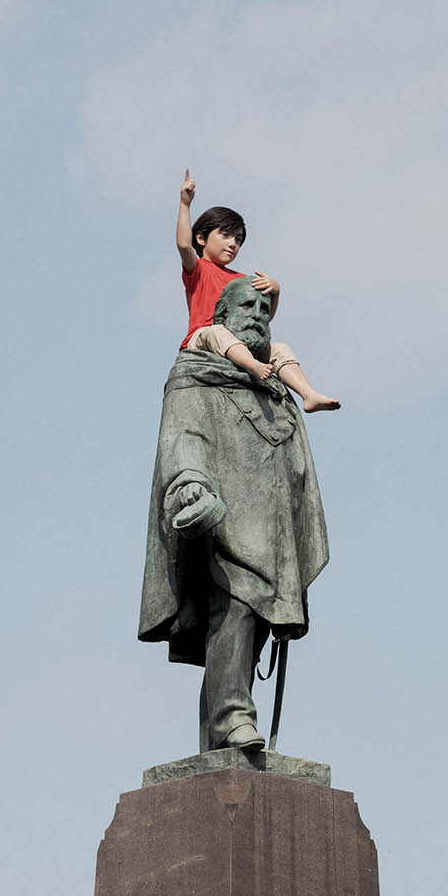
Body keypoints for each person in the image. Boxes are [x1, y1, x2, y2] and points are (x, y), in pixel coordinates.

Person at [139, 275, 329, 753]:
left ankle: (217, 737)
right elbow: (183, 437)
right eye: (248, 306)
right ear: (221, 316)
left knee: (253, 624)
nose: (258, 316)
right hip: (222, 520)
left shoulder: (274, 388)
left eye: (265, 310)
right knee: (237, 605)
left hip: (271, 527)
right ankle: (233, 718)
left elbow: (295, 462)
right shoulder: (194, 372)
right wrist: (190, 484)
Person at [176, 170, 339, 413]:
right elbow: (183, 244)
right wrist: (185, 204)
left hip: (241, 342)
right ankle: (252, 366)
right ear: (202, 237)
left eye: (239, 240)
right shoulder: (198, 270)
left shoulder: (243, 281)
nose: (233, 244)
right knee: (217, 331)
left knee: (279, 348)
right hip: (203, 339)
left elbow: (261, 319)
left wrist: (276, 292)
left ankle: (308, 394)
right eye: (226, 235)